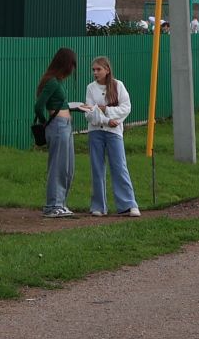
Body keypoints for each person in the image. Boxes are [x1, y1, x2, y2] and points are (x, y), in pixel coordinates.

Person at [83, 56, 140, 217]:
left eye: (98, 69)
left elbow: (126, 108)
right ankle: (98, 206)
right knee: (97, 167)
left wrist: (106, 110)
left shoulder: (118, 85)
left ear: (107, 70)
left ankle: (128, 204)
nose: (95, 72)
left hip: (114, 132)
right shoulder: (90, 88)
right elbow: (90, 113)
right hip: (96, 131)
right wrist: (108, 120)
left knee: (119, 166)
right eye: (93, 70)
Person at [34, 47, 81, 218]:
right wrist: (44, 122)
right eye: (71, 65)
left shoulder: (58, 82)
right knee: (58, 166)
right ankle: (53, 205)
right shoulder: (52, 82)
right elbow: (39, 105)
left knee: (68, 167)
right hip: (58, 127)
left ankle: (60, 203)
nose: (72, 69)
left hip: (65, 126)